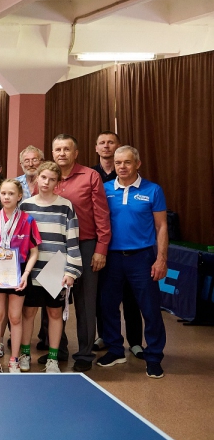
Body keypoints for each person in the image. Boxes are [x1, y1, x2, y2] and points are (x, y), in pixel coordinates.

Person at [97, 146, 168, 379]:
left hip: (142, 258)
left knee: (150, 309)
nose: (122, 167)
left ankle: (154, 356)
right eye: (118, 163)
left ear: (137, 164)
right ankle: (115, 349)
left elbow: (161, 227)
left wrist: (161, 258)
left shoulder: (153, 190)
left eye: (127, 162)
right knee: (108, 306)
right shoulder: (105, 189)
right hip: (111, 257)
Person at [52, 133, 111, 372]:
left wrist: (101, 248)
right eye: (58, 149)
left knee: (86, 302)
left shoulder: (90, 176)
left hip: (85, 245)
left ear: (75, 153)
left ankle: (85, 353)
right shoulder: (47, 176)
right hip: (54, 248)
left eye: (66, 149)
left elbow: (102, 215)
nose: (62, 153)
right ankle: (57, 349)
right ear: (52, 153)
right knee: (53, 300)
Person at [20, 162, 82, 373]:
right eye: (43, 177)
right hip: (31, 269)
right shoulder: (25, 206)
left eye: (52, 179)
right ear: (37, 178)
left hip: (56, 269)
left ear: (58, 182)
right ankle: (25, 354)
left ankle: (53, 358)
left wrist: (71, 271)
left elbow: (72, 240)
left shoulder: (66, 206)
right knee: (28, 312)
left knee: (55, 314)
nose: (46, 182)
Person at [89, 131, 143, 358]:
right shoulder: (91, 174)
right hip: (103, 245)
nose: (106, 146)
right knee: (104, 297)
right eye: (102, 143)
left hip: (129, 247)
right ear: (96, 148)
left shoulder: (129, 174)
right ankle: (105, 336)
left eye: (111, 142)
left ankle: (135, 341)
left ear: (119, 146)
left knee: (131, 297)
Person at [0, 179, 41, 374]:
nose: (6, 197)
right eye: (3, 193)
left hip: (18, 272)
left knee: (15, 317)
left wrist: (26, 274)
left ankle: (14, 360)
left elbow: (34, 252)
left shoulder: (28, 220)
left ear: (19, 196)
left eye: (11, 194)